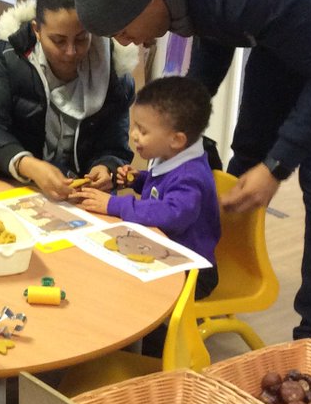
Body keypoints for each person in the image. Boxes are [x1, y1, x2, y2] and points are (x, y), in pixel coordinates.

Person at [73, 0, 311, 338]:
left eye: (123, 29)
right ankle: (211, 270)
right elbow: (213, 28)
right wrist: (174, 123)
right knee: (248, 151)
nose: (127, 41)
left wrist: (277, 167)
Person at [0, 0, 135, 201]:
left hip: (76, 192)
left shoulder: (114, 72)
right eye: (58, 41)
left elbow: (116, 146)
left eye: (81, 39)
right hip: (14, 178)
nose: (71, 51)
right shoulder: (11, 58)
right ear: (36, 30)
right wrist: (28, 165)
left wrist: (106, 167)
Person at [72, 76, 221, 300]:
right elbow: (162, 190)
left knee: (121, 288)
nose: (133, 135)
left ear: (176, 140)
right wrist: (137, 180)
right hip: (164, 252)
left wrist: (114, 204)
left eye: (142, 131)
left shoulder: (190, 176)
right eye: (134, 127)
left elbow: (171, 215)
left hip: (192, 271)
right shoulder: (171, 156)